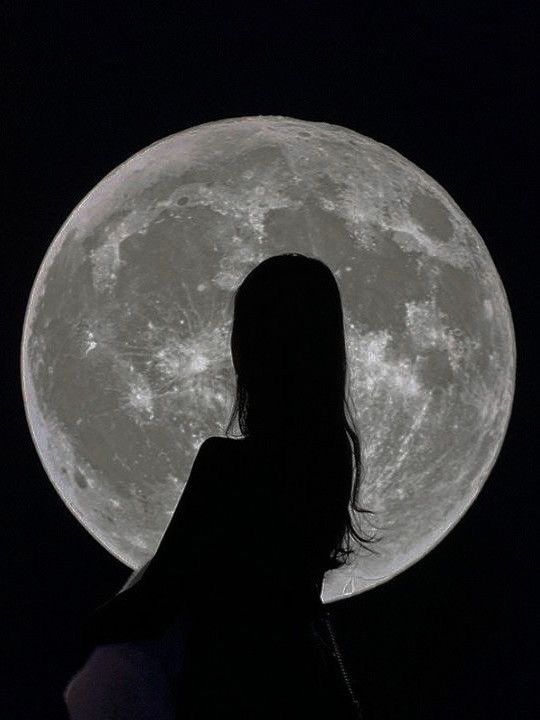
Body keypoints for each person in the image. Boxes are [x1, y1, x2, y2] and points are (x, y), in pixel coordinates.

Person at [64, 253, 379, 718]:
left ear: (255, 345)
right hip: (307, 691)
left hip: (232, 694)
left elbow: (155, 602)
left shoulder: (227, 465)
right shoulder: (334, 458)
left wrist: (73, 631)